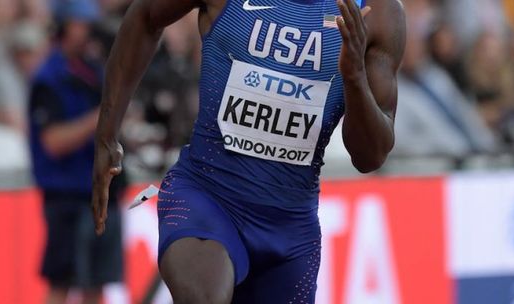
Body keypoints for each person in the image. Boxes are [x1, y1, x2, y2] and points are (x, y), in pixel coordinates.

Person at [92, 0, 405, 302]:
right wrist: (107, 134)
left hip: (291, 228)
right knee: (203, 297)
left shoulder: (378, 12)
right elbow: (146, 16)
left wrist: (355, 79)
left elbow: (370, 156)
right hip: (207, 194)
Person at [28, 1, 125, 303]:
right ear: (64, 26)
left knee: (97, 284)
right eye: (82, 24)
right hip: (67, 198)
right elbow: (53, 142)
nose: (89, 31)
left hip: (101, 192)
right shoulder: (49, 77)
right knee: (62, 283)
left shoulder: (94, 71)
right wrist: (102, 117)